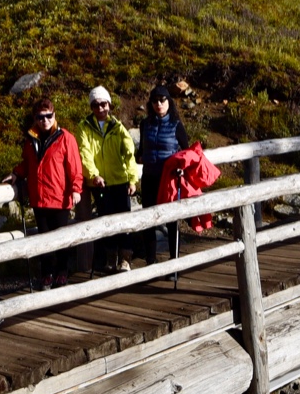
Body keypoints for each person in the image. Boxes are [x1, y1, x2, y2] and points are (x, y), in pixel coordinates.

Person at [17, 99, 83, 290]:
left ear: (54, 115)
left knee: (60, 239)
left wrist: (76, 188)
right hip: (39, 198)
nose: (45, 120)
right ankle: (46, 275)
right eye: (40, 117)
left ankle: (62, 273)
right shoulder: (31, 140)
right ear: (35, 119)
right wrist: (16, 173)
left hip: (60, 198)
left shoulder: (65, 138)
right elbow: (26, 164)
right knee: (43, 240)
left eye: (48, 116)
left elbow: (74, 166)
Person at [77, 86, 139, 273]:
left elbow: (129, 154)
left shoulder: (118, 127)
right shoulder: (84, 127)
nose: (100, 108)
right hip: (100, 184)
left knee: (123, 221)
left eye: (103, 104)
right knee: (105, 220)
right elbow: (84, 153)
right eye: (95, 105)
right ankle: (110, 258)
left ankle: (125, 258)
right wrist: (94, 175)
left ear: (109, 104)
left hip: (119, 180)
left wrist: (132, 179)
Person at [137, 83, 186, 265]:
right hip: (149, 177)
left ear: (169, 102)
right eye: (155, 101)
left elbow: (186, 151)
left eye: (162, 100)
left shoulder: (176, 125)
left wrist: (181, 168)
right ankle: (151, 261)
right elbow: (141, 150)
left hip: (169, 179)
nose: (158, 104)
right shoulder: (145, 125)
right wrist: (139, 157)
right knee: (149, 219)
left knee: (171, 220)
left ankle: (174, 263)